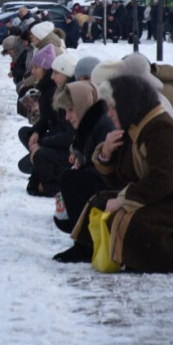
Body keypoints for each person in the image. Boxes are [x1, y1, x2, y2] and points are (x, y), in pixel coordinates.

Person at [66, 75, 173, 272]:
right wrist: (106, 154)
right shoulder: (133, 128)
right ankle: (87, 249)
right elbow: (118, 180)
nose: (109, 114)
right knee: (99, 202)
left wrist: (123, 200)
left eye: (113, 107)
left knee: (132, 221)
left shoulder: (162, 129)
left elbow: (163, 180)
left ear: (127, 105)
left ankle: (139, 258)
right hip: (158, 198)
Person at [51, 81, 116, 247]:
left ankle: (85, 244)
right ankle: (79, 233)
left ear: (82, 105)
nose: (67, 116)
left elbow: (109, 171)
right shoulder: (91, 123)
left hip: (112, 191)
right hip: (106, 187)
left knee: (69, 178)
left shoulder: (102, 124)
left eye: (70, 110)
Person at [18, 44, 74, 196]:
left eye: (36, 67)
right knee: (26, 135)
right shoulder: (51, 88)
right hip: (59, 140)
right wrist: (37, 133)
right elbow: (47, 119)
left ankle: (50, 176)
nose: (52, 77)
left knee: (28, 166)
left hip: (69, 149)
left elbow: (67, 133)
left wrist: (42, 144)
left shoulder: (62, 94)